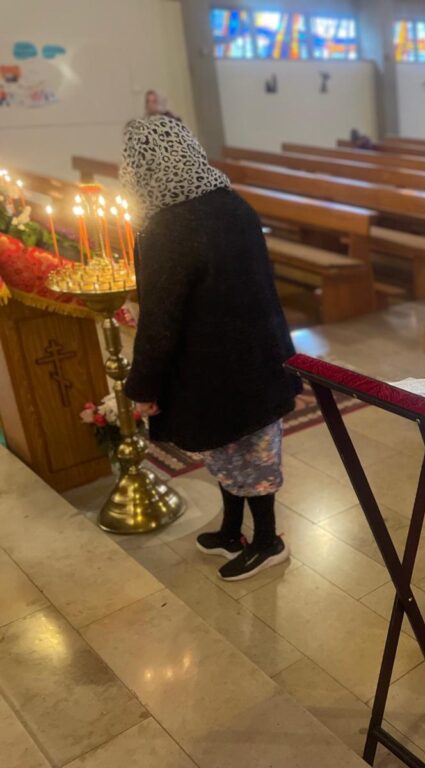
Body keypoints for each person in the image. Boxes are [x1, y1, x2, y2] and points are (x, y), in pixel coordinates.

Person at [120, 116, 300, 581]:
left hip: (214, 368)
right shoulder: (232, 204)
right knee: (235, 452)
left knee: (247, 458)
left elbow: (160, 320)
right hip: (258, 358)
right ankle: (232, 531)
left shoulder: (167, 227)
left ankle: (268, 542)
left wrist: (143, 386)